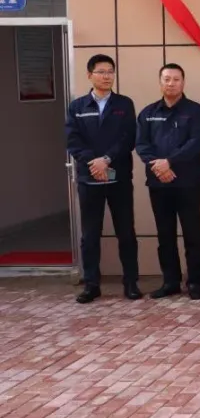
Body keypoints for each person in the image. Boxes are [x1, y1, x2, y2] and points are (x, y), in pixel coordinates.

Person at [65, 54, 139, 303]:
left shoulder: (124, 104)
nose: (107, 76)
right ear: (89, 75)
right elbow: (73, 140)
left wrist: (106, 159)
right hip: (89, 178)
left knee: (126, 232)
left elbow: (128, 137)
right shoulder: (77, 107)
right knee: (90, 234)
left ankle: (131, 283)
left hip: (119, 177)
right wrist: (93, 162)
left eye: (110, 71)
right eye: (101, 72)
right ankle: (91, 285)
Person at [136, 63, 200, 300]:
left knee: (191, 234)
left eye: (176, 79)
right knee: (165, 235)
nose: (171, 83)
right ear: (160, 82)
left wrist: (169, 162)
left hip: (187, 183)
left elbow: (196, 142)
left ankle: (194, 282)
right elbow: (142, 145)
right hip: (159, 183)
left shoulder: (195, 111)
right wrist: (158, 166)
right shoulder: (147, 113)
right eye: (167, 79)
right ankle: (170, 282)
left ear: (183, 82)